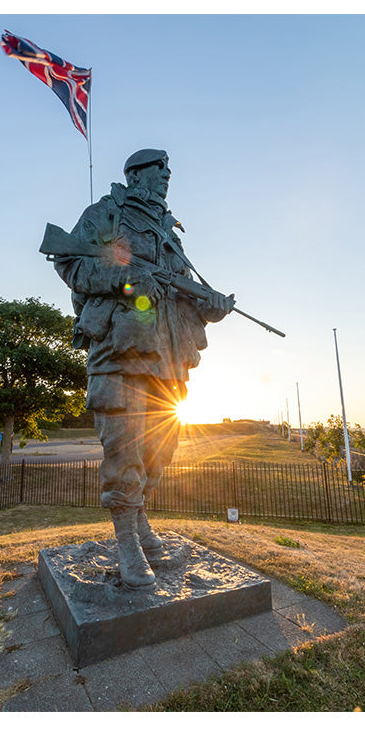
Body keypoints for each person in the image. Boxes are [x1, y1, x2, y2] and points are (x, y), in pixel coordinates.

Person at [53, 149, 233, 589]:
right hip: (120, 355)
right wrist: (125, 280)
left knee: (159, 451)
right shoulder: (106, 214)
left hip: (168, 362)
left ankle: (141, 522)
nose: (167, 176)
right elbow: (70, 262)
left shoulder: (169, 232)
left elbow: (181, 290)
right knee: (124, 451)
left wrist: (211, 306)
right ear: (135, 175)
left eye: (169, 171)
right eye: (158, 170)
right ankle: (126, 543)